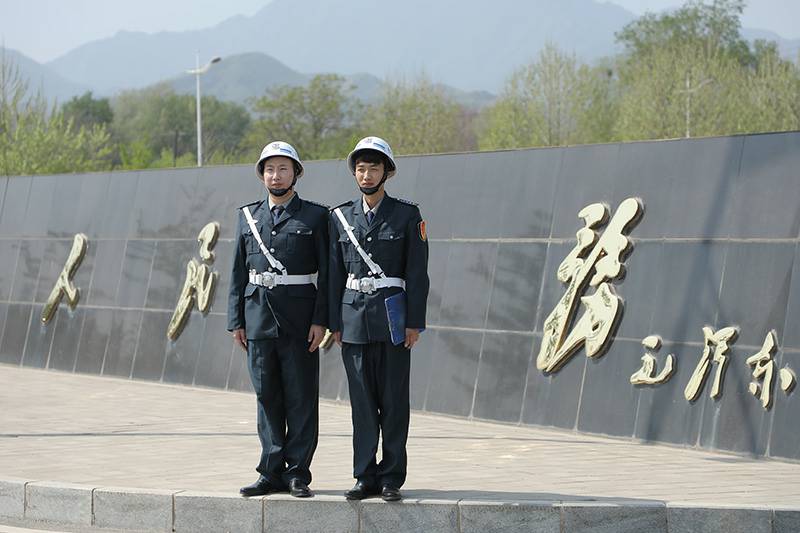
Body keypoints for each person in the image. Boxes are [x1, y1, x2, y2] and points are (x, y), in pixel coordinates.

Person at [329, 136, 430, 502]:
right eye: (360, 168)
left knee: (394, 402)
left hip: (392, 322)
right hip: (354, 321)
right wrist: (334, 322)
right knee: (361, 403)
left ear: (387, 172)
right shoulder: (340, 217)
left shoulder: (407, 215)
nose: (366, 175)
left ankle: (391, 477)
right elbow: (333, 274)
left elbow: (417, 273)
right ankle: (364, 476)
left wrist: (414, 322)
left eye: (373, 168)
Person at [227, 141, 328, 498]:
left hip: (300, 321)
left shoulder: (316, 216)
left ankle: (297, 472)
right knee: (266, 396)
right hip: (257, 319)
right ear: (262, 175)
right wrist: (236, 320)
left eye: (283, 168)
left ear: (296, 173)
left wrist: (321, 320)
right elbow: (238, 272)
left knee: (301, 397)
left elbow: (328, 274)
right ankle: (269, 471)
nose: (276, 175)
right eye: (269, 169)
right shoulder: (248, 216)